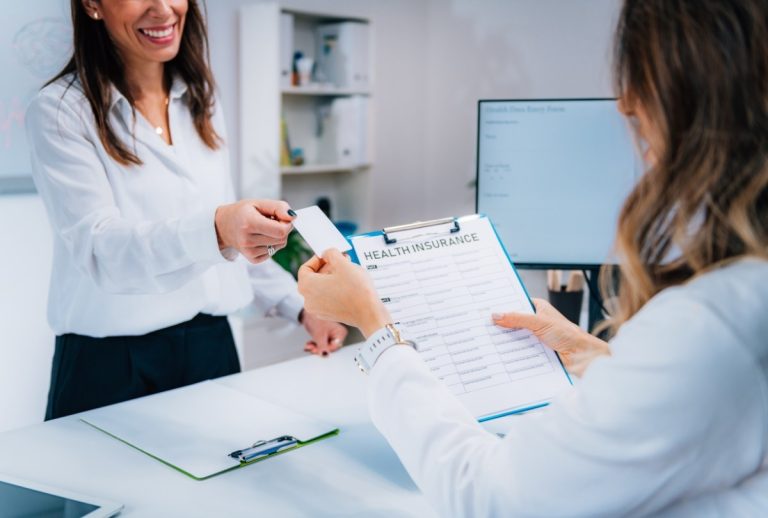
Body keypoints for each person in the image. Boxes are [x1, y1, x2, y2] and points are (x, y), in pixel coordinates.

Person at [297, 0, 768, 515]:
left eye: (644, 80)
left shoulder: (711, 323)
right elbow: (687, 406)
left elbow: (493, 496)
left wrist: (379, 332)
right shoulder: (741, 299)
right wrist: (589, 353)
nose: (625, 106)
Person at [26, 0, 346, 421]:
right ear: (91, 4)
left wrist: (299, 307)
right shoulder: (60, 111)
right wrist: (217, 228)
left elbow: (233, 248)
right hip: (110, 364)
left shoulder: (201, 99)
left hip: (210, 348)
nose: (162, 9)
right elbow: (103, 249)